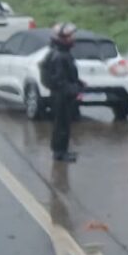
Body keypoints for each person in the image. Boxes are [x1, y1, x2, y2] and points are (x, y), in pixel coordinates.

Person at [40, 22, 82, 164]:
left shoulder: (60, 53)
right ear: (62, 39)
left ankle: (61, 151)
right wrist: (74, 90)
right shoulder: (60, 56)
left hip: (61, 94)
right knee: (62, 124)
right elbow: (60, 80)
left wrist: (78, 84)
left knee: (62, 123)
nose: (73, 39)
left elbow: (67, 76)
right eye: (70, 37)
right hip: (61, 96)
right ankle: (59, 152)